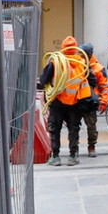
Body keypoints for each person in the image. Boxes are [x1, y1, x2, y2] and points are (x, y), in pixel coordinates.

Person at [39, 36, 96, 167]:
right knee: (74, 129)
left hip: (57, 101)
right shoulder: (83, 63)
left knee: (55, 129)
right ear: (75, 48)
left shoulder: (56, 62)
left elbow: (43, 81)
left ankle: (56, 157)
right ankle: (73, 156)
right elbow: (93, 80)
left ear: (63, 49)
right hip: (76, 103)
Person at [79, 42, 108, 158]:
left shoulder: (98, 69)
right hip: (76, 101)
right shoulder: (76, 66)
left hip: (90, 101)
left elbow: (105, 86)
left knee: (91, 126)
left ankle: (92, 146)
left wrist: (104, 101)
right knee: (74, 126)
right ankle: (74, 148)